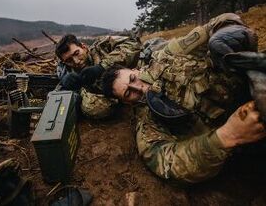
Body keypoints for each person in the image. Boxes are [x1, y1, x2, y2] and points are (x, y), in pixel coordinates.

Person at [101, 13, 266, 185]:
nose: (139, 88)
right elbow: (169, 163)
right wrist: (227, 136)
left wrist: (226, 31)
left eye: (133, 80)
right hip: (251, 128)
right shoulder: (148, 126)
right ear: (126, 102)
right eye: (129, 93)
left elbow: (214, 24)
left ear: (134, 70)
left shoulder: (167, 55)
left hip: (251, 77)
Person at [55, 34, 141, 118]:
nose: (76, 61)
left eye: (76, 53)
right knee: (91, 107)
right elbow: (57, 95)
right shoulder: (68, 71)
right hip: (113, 100)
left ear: (83, 47)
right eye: (69, 60)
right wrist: (65, 83)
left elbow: (133, 44)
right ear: (64, 62)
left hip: (135, 82)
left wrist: (102, 67)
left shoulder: (101, 46)